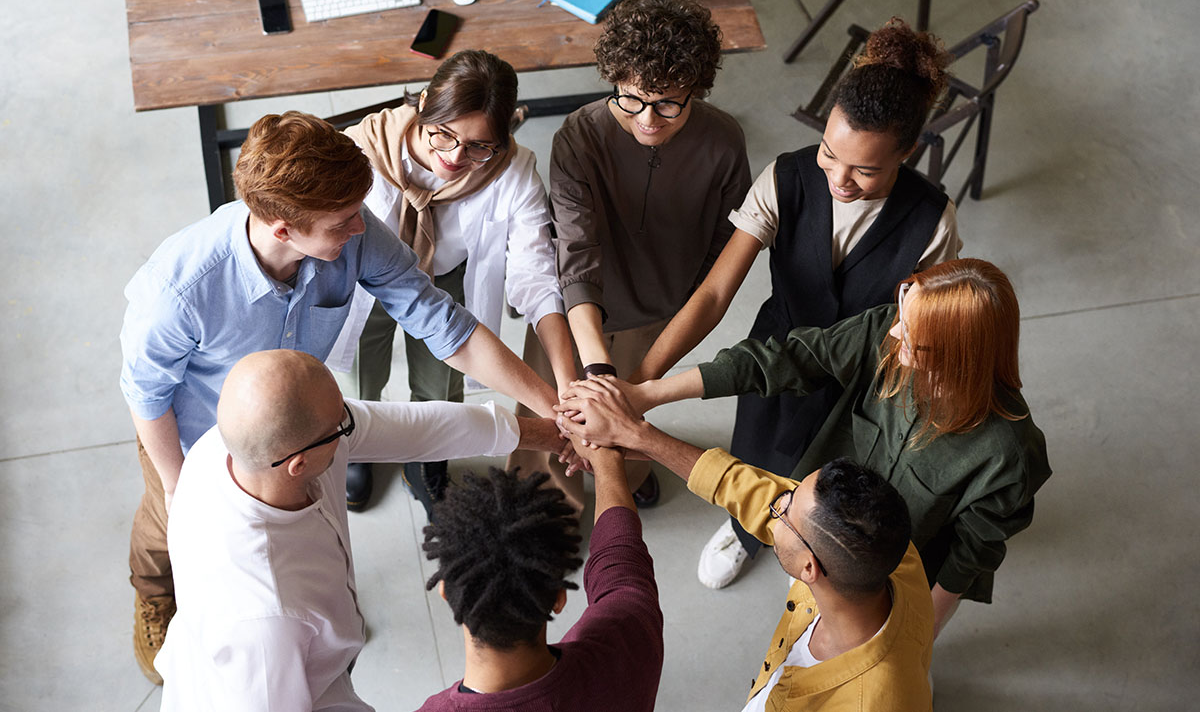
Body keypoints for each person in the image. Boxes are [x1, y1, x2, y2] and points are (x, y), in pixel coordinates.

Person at [118, 110, 558, 684]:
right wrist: (182, 493)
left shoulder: (351, 229)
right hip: (192, 433)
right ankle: (153, 595)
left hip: (300, 423)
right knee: (163, 531)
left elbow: (443, 324)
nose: (361, 228)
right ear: (281, 227)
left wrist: (554, 407)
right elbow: (145, 394)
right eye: (343, 220)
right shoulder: (179, 289)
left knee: (298, 537)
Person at [626, 18, 962, 588]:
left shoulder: (933, 221)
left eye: (866, 169)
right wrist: (641, 386)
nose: (840, 178)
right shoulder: (786, 178)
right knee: (760, 451)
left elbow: (926, 325)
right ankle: (747, 529)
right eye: (831, 153)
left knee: (839, 477)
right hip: (777, 352)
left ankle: (813, 543)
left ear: (907, 152)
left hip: (865, 374)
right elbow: (712, 294)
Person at [561, 259, 1051, 635]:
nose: (895, 332)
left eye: (915, 340)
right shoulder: (889, 330)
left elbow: (967, 560)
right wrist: (646, 395)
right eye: (902, 314)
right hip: (815, 524)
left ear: (961, 357)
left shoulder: (1008, 455)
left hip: (890, 579)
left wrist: (914, 637)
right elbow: (787, 359)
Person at [155, 349, 565, 711]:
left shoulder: (239, 444)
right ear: (298, 463)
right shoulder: (268, 620)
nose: (351, 423)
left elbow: (415, 429)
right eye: (341, 426)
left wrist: (552, 435)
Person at [508, 0, 753, 512]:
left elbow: (721, 246)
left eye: (668, 104)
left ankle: (631, 471)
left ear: (696, 90)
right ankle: (551, 505)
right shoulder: (579, 134)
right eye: (632, 99)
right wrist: (596, 369)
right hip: (577, 309)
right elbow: (575, 249)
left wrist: (678, 311)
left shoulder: (724, 141)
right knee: (559, 411)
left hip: (658, 309)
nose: (648, 119)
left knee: (633, 417)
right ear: (614, 79)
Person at [556, 378, 933, 710]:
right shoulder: (887, 552)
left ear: (809, 568)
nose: (774, 503)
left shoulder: (872, 701)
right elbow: (748, 488)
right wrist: (636, 436)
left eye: (784, 511)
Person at [331, 50, 575, 514]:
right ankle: (359, 441)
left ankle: (427, 456)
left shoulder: (512, 169)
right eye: (443, 135)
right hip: (366, 279)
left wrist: (564, 386)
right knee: (363, 370)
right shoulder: (363, 146)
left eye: (479, 146)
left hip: (447, 279)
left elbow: (535, 274)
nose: (455, 157)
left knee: (442, 384)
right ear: (424, 103)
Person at [416, 452, 663, 710]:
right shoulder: (630, 634)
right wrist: (606, 462)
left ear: (445, 592)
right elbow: (620, 560)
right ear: (559, 598)